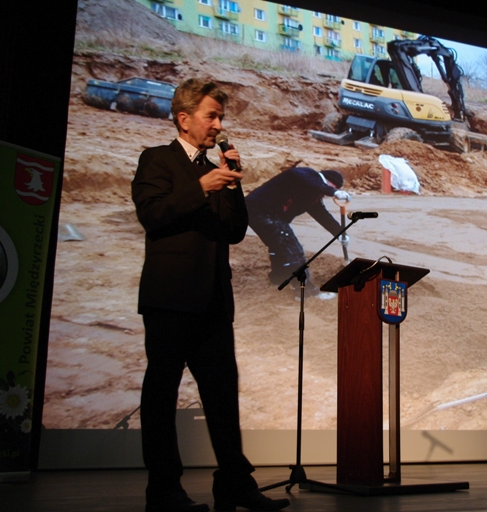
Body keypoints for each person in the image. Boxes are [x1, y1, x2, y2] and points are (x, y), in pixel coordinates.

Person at [132, 78, 289, 512]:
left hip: (214, 301)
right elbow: (152, 214)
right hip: (169, 299)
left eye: (220, 117)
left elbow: (234, 232)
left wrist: (232, 184)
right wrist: (202, 187)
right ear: (184, 119)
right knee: (161, 396)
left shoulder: (215, 168)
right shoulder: (157, 159)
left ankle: (234, 484)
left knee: (223, 397)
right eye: (211, 116)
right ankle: (164, 491)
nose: (219, 125)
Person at [245, 166, 350, 297]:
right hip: (261, 211)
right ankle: (306, 291)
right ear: (327, 181)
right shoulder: (306, 175)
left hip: (261, 213)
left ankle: (278, 279)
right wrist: (332, 192)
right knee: (293, 250)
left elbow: (322, 215)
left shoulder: (311, 194)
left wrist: (340, 233)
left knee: (278, 246)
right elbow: (300, 175)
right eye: (334, 187)